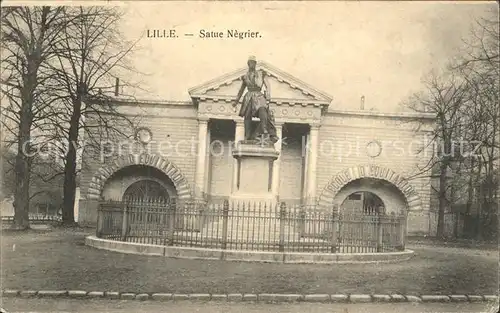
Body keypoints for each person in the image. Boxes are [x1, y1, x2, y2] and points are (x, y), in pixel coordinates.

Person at [233, 56, 278, 143]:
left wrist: (268, 96)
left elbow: (267, 85)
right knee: (247, 116)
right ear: (248, 64)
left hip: (259, 95)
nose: (252, 64)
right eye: (250, 63)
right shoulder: (245, 77)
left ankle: (264, 130)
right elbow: (241, 90)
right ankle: (247, 136)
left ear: (255, 64)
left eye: (253, 63)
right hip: (248, 96)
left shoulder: (261, 74)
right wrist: (236, 101)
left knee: (263, 110)